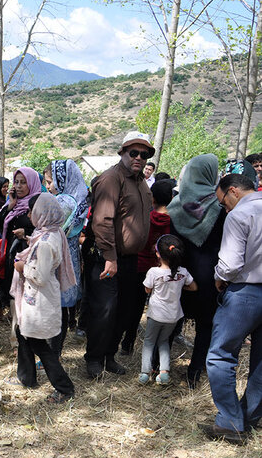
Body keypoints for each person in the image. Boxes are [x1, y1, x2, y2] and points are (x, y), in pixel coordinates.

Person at [82, 131, 152, 379]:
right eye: (134, 152)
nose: (139, 158)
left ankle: (108, 355)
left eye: (145, 154)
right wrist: (110, 256)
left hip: (129, 258)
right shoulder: (111, 178)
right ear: (122, 152)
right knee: (104, 309)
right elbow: (102, 221)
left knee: (123, 309)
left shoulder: (140, 181)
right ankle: (93, 359)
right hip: (106, 256)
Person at [199, 173, 262, 444]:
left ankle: (230, 421)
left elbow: (230, 265)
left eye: (223, 202)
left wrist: (218, 277)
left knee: (219, 356)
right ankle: (250, 416)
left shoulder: (238, 216)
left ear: (233, 191)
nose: (224, 208)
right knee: (261, 359)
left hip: (245, 293)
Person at [10, 193, 76, 402]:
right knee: (23, 334)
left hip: (39, 298)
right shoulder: (50, 233)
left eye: (31, 211)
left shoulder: (46, 242)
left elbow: (39, 274)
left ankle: (64, 387)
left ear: (41, 212)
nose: (29, 215)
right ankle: (26, 377)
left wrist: (22, 267)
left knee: (38, 344)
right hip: (37, 297)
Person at [168, 154, 226, 388]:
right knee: (205, 325)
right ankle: (194, 372)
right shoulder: (219, 208)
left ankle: (156, 364)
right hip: (208, 275)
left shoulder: (176, 205)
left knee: (172, 320)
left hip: (179, 273)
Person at [121, 179, 173, 355]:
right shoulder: (173, 221)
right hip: (163, 270)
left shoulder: (146, 217)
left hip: (141, 266)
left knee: (134, 307)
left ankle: (127, 344)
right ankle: (157, 348)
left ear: (152, 198)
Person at [44, 160, 88, 356]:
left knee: (56, 310)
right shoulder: (77, 198)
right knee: (59, 308)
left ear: (61, 180)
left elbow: (48, 228)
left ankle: (53, 354)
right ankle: (54, 352)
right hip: (69, 257)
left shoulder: (64, 201)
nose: (47, 186)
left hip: (58, 259)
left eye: (49, 181)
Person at [138, 234, 196, 386]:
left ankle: (145, 372)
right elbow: (194, 286)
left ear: (158, 253)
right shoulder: (182, 272)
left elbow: (147, 290)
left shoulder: (153, 272)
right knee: (163, 341)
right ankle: (164, 372)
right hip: (173, 315)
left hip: (156, 314)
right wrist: (180, 285)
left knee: (149, 342)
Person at [0, 168, 42, 322]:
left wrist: (26, 233)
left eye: (23, 182)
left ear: (32, 183)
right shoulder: (14, 203)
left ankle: (27, 320)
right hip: (13, 253)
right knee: (14, 286)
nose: (19, 186)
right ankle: (15, 318)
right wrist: (11, 204)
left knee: (27, 288)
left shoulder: (38, 203)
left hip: (31, 253)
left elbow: (44, 229)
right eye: (16, 182)